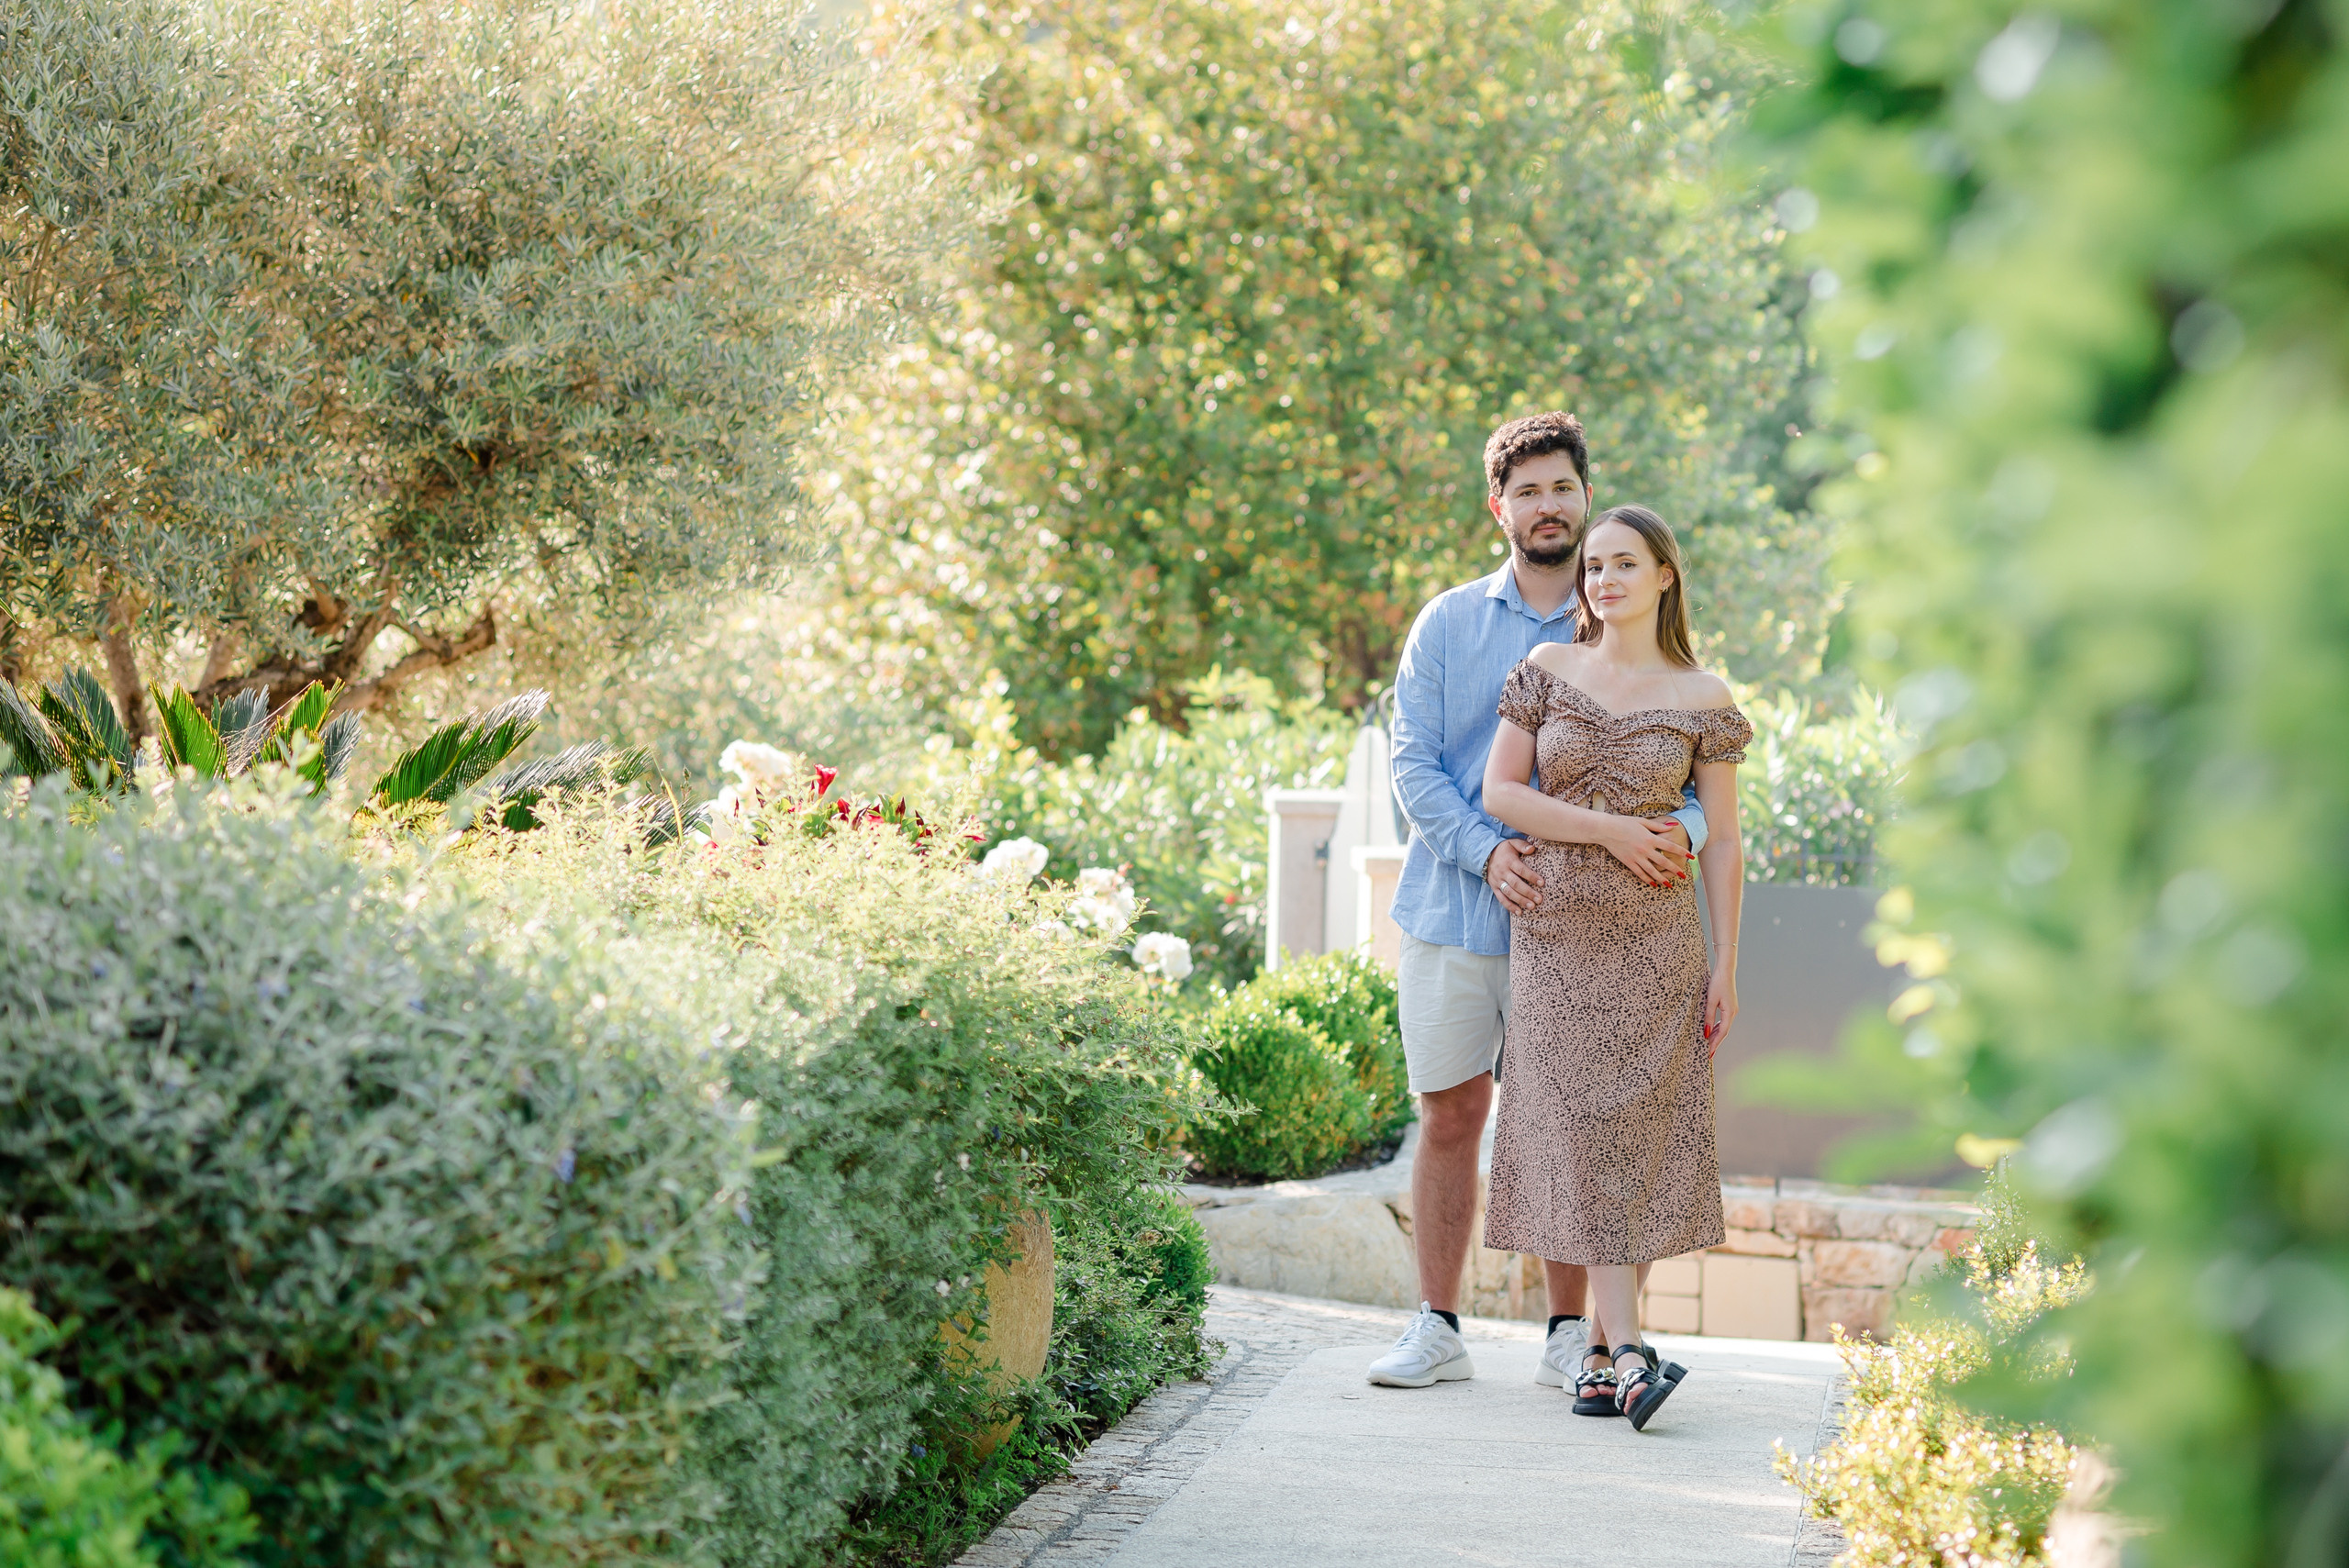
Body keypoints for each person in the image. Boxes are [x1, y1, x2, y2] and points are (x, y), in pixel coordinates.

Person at [1366, 414, 1705, 1393]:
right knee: (1450, 1110)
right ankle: (1436, 1323)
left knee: (1571, 1119)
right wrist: (1484, 853)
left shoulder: (1622, 611)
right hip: (1454, 910)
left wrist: (1676, 832)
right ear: (1499, 507)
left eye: (1561, 487)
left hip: (1587, 927)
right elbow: (1413, 761)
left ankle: (1573, 1334)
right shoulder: (1447, 622)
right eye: (1527, 492)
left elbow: (1688, 766)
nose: (1546, 506)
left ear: (1585, 494)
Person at [1478, 502, 1751, 1431]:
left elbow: (1723, 845)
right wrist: (1606, 831)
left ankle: (1599, 1354)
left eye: (1624, 564)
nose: (1603, 580)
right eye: (1594, 565)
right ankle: (1633, 1353)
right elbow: (1501, 790)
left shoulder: (1703, 695)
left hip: (1659, 945)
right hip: (1554, 937)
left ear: (1664, 575)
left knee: (1636, 1140)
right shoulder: (1549, 669)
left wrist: (1725, 963)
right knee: (1588, 1135)